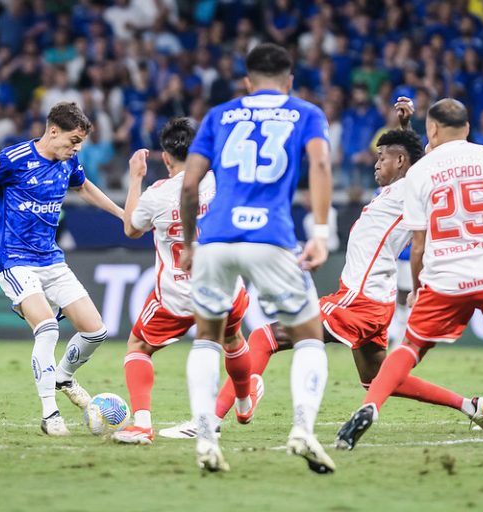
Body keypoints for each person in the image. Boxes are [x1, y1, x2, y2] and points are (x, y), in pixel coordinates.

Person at [164, 98, 483, 439]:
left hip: (359, 300)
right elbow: (411, 158)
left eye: (382, 158)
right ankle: (471, 406)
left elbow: (420, 163)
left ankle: (209, 423)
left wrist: (409, 134)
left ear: (400, 162)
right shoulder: (398, 189)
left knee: (265, 337)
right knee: (379, 380)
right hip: (373, 302)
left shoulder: (409, 187)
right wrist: (403, 129)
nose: (375, 164)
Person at [335, 99, 483, 451]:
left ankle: (371, 405)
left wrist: (417, 288)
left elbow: (417, 245)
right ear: (467, 127)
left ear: (432, 129)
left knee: (411, 347)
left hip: (445, 274)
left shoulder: (420, 171)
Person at [180, 43, 334, 473]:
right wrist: (320, 234)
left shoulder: (219, 115)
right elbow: (320, 165)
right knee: (308, 335)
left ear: (247, 82)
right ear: (289, 81)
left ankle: (206, 436)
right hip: (271, 237)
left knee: (207, 336)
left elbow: (190, 185)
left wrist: (192, 243)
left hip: (216, 238)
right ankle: (302, 428)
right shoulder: (305, 112)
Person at [0, 102, 123, 436]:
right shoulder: (15, 159)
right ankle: (50, 415)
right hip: (15, 262)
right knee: (48, 328)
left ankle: (63, 376)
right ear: (52, 131)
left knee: (95, 331)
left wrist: (121, 214)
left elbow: (84, 185)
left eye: (80, 143)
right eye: (73, 140)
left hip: (51, 260)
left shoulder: (69, 161)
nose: (76, 149)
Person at [112, 118, 261, 446]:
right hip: (223, 285)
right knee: (234, 339)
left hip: (178, 295)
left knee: (139, 346)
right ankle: (244, 404)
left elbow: (131, 229)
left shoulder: (156, 195)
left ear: (165, 158)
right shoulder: (217, 181)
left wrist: (136, 178)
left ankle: (142, 424)